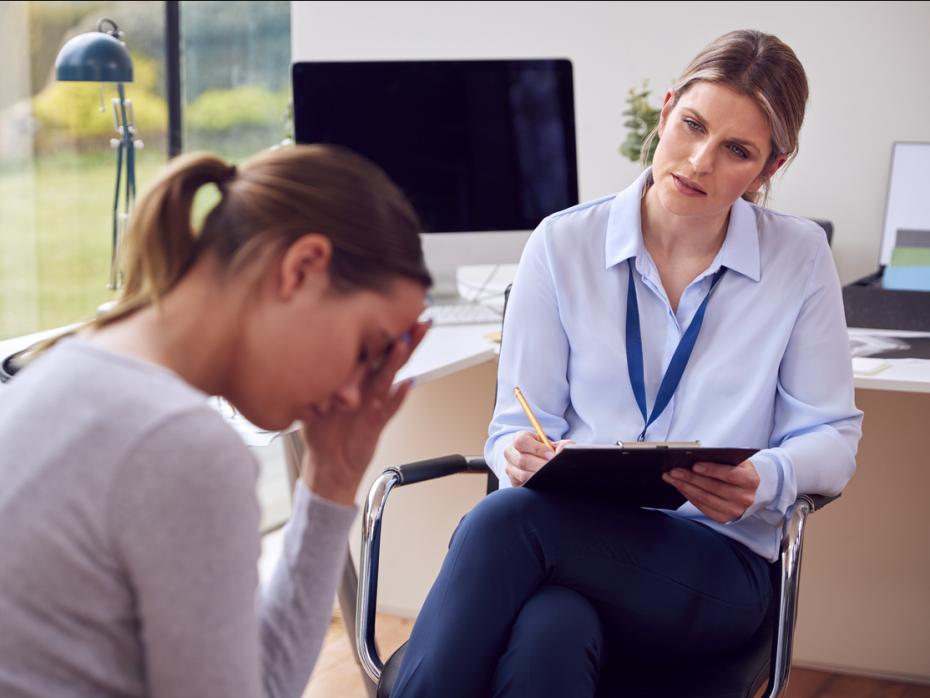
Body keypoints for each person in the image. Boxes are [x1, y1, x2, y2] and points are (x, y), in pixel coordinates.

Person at [393, 29, 863, 697]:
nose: (698, 161)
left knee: (504, 523)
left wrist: (768, 475)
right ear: (667, 109)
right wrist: (517, 455)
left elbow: (834, 438)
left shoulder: (800, 257)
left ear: (769, 169)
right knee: (552, 629)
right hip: (577, 541)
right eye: (692, 125)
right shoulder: (563, 243)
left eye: (736, 150)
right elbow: (511, 430)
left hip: (716, 569)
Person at [0, 144, 431, 697]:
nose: (353, 392)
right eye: (367, 348)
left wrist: (332, 480)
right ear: (302, 269)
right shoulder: (175, 445)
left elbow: (258, 682)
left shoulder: (71, 368)